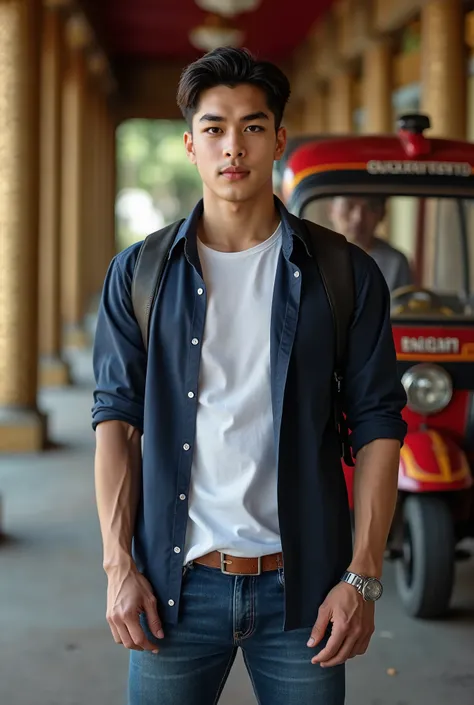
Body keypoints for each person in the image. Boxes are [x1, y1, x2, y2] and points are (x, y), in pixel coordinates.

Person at [92, 48, 407, 705]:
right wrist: (119, 566)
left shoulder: (345, 275)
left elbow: (380, 425)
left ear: (280, 139)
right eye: (214, 128)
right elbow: (116, 423)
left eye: (253, 126)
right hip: (174, 592)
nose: (233, 146)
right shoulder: (140, 274)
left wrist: (363, 578)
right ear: (190, 144)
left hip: (307, 593)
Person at [328, 196, 413, 292]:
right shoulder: (314, 255)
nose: (358, 218)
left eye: (370, 207)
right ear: (331, 209)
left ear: (382, 214)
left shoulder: (395, 262)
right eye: (349, 206)